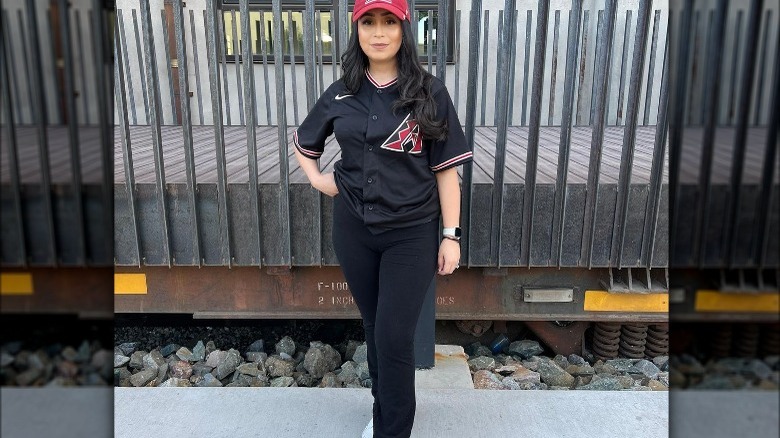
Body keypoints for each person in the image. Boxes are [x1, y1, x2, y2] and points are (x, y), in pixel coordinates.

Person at [292, 0, 472, 436]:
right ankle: (384, 410)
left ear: (403, 29)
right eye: (368, 22)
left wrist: (451, 235)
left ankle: (393, 429)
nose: (378, 32)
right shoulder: (341, 92)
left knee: (394, 337)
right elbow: (304, 143)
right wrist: (319, 181)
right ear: (356, 29)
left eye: (388, 22)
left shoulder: (430, 92)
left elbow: (446, 170)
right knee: (374, 328)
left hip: (411, 233)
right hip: (353, 229)